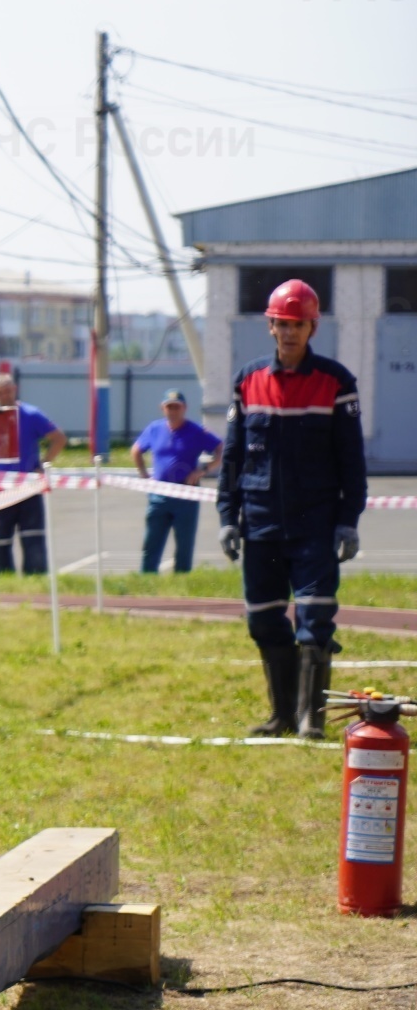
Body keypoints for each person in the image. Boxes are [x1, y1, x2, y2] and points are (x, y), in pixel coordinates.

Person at [217, 279, 366, 740]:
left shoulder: (336, 382)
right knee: (263, 618)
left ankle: (310, 720)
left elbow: (351, 460)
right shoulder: (248, 380)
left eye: (298, 324)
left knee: (314, 620)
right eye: (282, 324)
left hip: (315, 526)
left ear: (311, 326)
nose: (289, 333)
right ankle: (281, 715)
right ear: (271, 326)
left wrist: (348, 520)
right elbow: (233, 458)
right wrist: (227, 518)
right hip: (260, 523)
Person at [0, 372, 66, 573]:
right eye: (0, 392)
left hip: (28, 487)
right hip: (0, 487)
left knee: (32, 536)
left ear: (15, 390)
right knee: (0, 537)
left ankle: (36, 576)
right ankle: (3, 576)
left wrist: (42, 465)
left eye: (8, 391)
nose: (4, 396)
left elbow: (58, 438)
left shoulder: (31, 414)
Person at [131, 389, 219, 574]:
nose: (173, 411)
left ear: (184, 408)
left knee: (184, 544)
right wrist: (144, 476)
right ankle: (147, 579)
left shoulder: (195, 431)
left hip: (186, 495)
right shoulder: (154, 429)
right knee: (152, 542)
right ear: (163, 408)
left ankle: (181, 582)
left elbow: (221, 449)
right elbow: (136, 450)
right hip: (159, 494)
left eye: (177, 407)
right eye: (169, 407)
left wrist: (203, 470)